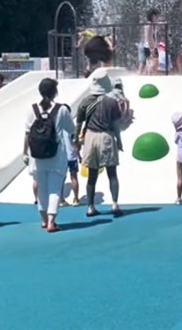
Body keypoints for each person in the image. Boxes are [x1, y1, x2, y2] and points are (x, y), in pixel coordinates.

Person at [23, 78, 74, 232]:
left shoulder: (31, 109)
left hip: (36, 156)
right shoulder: (62, 109)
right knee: (55, 189)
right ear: (55, 92)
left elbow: (26, 133)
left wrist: (24, 152)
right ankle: (52, 221)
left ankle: (44, 219)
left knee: (42, 189)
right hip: (56, 155)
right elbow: (71, 129)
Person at [76, 69, 126, 217]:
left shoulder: (85, 101)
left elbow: (78, 123)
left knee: (92, 174)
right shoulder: (111, 102)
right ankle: (115, 204)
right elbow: (116, 125)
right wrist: (119, 141)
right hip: (106, 136)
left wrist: (77, 141)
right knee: (112, 173)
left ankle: (90, 207)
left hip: (90, 137)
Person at [139, 8, 161, 75]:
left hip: (149, 45)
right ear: (152, 16)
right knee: (154, 63)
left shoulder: (150, 24)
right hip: (150, 46)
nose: (157, 18)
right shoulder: (149, 24)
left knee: (150, 63)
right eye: (156, 16)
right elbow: (148, 36)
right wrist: (151, 48)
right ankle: (152, 75)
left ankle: (148, 74)